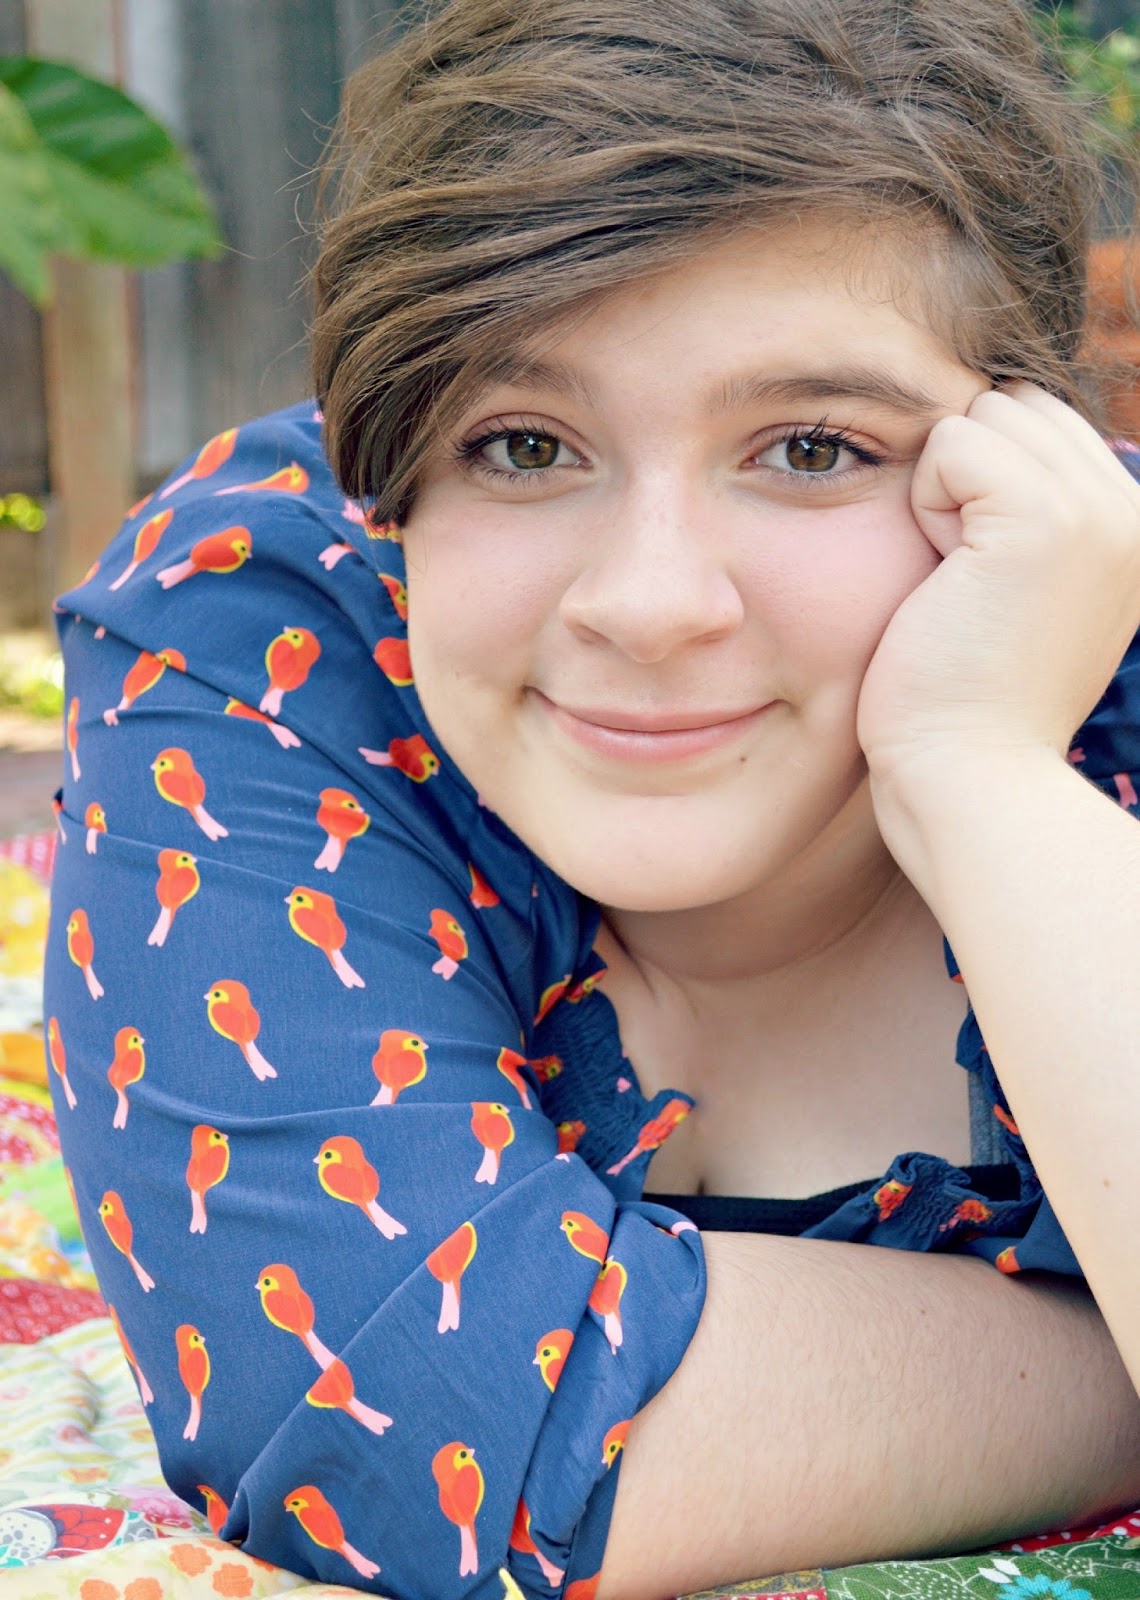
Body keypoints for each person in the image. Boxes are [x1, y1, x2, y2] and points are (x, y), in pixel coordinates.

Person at [43, 1, 1140, 1597]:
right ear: (389, 471)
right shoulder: (276, 613)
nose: (649, 601)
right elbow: (407, 1439)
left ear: (1016, 461)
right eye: (523, 445)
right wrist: (1112, 1357)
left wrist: (983, 767)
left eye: (812, 448)